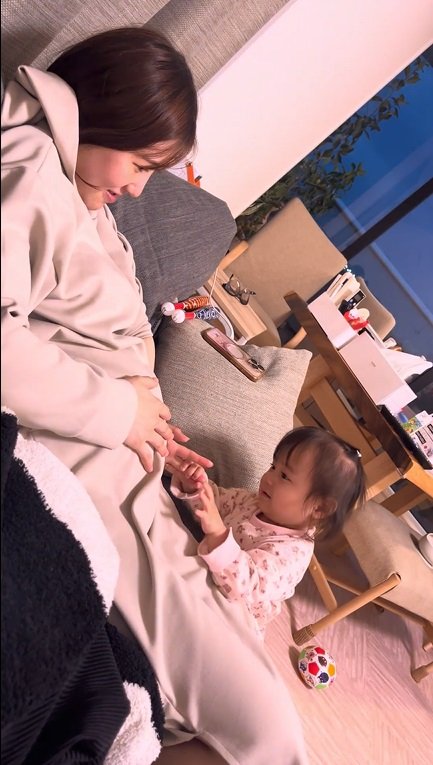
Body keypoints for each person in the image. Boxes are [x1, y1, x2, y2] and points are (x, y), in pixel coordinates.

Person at [1, 26, 309, 765]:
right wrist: (124, 412)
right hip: (99, 464)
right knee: (264, 734)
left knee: (266, 718)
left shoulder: (86, 197)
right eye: (141, 164)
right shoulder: (32, 167)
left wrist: (154, 426)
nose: (140, 189)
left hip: (140, 472)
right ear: (100, 115)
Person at [170, 426, 366, 639]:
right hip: (203, 577)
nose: (268, 478)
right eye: (273, 466)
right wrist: (196, 488)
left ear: (319, 508)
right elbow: (215, 505)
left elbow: (245, 586)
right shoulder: (253, 501)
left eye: (284, 476)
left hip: (232, 620)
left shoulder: (293, 553)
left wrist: (218, 535)